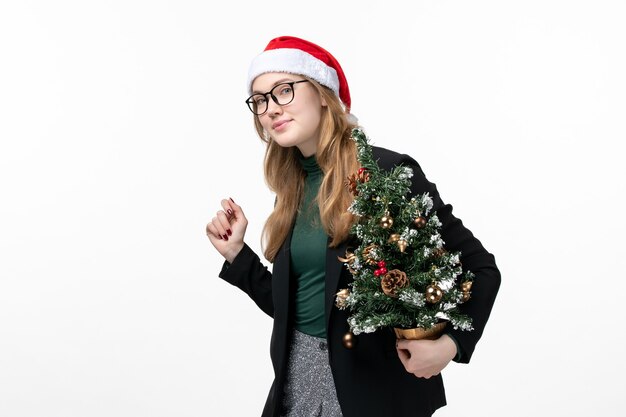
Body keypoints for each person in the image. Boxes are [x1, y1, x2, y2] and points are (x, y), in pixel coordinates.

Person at [205, 36, 501, 417]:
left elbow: (482, 269)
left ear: (323, 94)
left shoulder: (387, 174)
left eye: (283, 92)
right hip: (297, 388)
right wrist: (237, 256)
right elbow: (301, 311)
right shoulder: (291, 190)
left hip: (373, 394)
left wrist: (451, 345)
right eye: (260, 100)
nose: (270, 110)